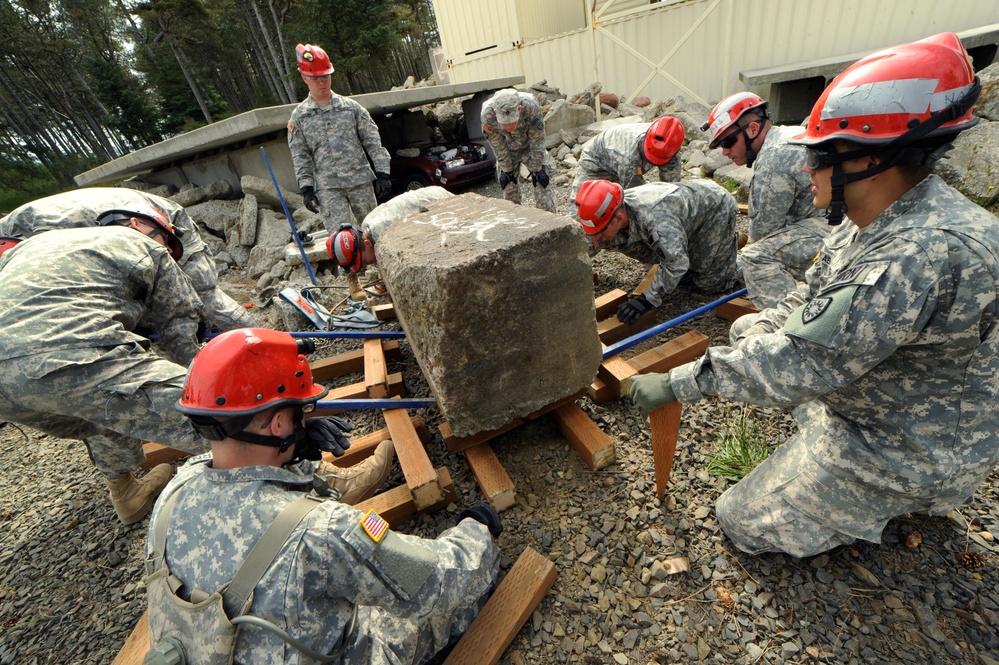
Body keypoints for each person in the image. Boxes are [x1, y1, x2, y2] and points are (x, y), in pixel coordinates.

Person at [630, 32, 999, 559]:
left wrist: (678, 382)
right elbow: (810, 294)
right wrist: (760, 338)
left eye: (821, 155)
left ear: (873, 158)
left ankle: (898, 497)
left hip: (913, 445)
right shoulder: (873, 218)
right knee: (747, 329)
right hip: (885, 393)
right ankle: (828, 457)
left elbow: (800, 362)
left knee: (739, 520)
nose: (807, 168)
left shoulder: (912, 257)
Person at [145, 327, 501, 664]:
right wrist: (475, 530)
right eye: (300, 412)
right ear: (279, 424)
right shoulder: (322, 531)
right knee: (425, 613)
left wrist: (293, 455)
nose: (304, 420)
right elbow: (436, 582)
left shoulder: (174, 491)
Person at [0, 206, 209, 524]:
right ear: (139, 225)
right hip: (59, 356)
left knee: (103, 408)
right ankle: (296, 465)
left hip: (8, 395)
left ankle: (127, 494)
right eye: (169, 244)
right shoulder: (147, 246)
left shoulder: (36, 246)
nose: (169, 253)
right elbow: (180, 334)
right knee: (218, 407)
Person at [0, 187, 255, 331]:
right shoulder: (47, 246)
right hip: (131, 226)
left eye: (165, 250)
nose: (163, 256)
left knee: (205, 295)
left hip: (161, 219)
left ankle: (263, 339)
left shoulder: (55, 229)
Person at [702, 92, 830, 309]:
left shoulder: (773, 159)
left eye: (728, 141)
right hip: (837, 222)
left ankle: (790, 326)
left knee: (755, 258)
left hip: (831, 233)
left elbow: (763, 234)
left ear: (752, 129)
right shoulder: (788, 134)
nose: (725, 152)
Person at [574, 179, 741, 323]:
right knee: (677, 268)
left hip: (714, 210)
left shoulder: (656, 220)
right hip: (679, 221)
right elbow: (585, 245)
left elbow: (677, 264)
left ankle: (744, 259)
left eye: (601, 231)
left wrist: (646, 300)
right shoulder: (606, 214)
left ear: (618, 219)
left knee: (710, 284)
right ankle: (689, 249)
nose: (597, 237)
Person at [288, 43, 392, 236]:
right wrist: (306, 187)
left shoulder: (352, 109)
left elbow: (373, 141)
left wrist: (383, 172)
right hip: (328, 189)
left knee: (376, 233)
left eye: (325, 76)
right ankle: (349, 268)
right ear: (304, 78)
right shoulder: (299, 117)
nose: (322, 82)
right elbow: (300, 155)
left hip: (360, 181)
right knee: (340, 241)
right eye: (315, 78)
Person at [327, 186, 453, 275]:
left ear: (367, 244)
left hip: (443, 204)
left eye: (364, 261)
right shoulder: (367, 225)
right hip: (432, 194)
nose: (365, 266)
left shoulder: (384, 237)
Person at [480, 88, 556, 213]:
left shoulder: (530, 106)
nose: (509, 127)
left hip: (530, 147)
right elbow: (498, 146)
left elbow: (537, 141)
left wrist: (537, 168)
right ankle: (515, 223)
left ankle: (552, 222)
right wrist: (507, 170)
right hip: (508, 150)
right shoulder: (487, 115)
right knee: (509, 189)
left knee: (542, 184)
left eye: (512, 122)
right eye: (504, 124)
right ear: (495, 112)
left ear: (519, 109)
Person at [571, 116, 685, 199]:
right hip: (596, 162)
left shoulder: (670, 147)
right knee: (581, 206)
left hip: (623, 159)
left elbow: (671, 188)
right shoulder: (628, 159)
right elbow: (634, 196)